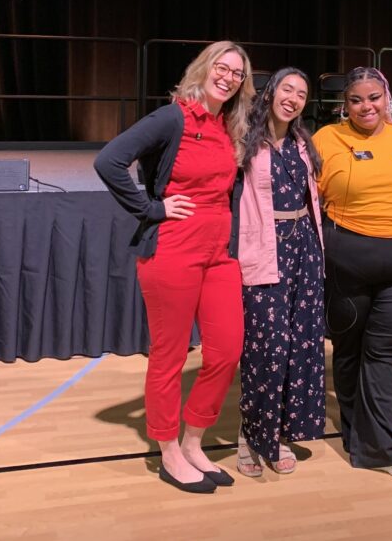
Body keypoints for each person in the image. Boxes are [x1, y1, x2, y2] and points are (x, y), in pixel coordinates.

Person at [94, 41, 253, 494]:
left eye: (237, 73)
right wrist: (150, 208)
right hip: (172, 251)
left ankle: (194, 442)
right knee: (170, 356)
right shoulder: (174, 117)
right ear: (202, 69)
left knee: (225, 350)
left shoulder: (229, 127)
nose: (228, 77)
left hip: (219, 254)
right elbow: (109, 161)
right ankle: (168, 452)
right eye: (221, 67)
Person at [312, 66, 392, 479]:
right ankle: (356, 434)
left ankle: (381, 446)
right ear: (345, 104)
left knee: (385, 354)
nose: (366, 106)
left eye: (374, 98)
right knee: (348, 354)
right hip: (347, 270)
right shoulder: (325, 139)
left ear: (387, 98)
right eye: (357, 99)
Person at [235, 67, 326, 478]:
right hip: (265, 246)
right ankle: (252, 436)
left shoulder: (302, 142)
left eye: (302, 94)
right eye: (287, 89)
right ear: (270, 92)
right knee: (267, 346)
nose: (293, 98)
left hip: (304, 245)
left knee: (302, 344)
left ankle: (283, 431)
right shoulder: (244, 140)